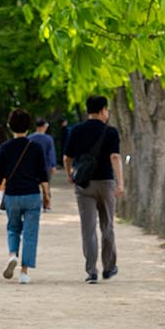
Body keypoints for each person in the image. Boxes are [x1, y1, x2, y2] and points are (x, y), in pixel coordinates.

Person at [63, 93, 124, 283]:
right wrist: (120, 183)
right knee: (107, 226)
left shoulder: (76, 130)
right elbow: (115, 157)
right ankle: (109, 267)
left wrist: (69, 175)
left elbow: (67, 157)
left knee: (88, 228)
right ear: (103, 110)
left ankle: (91, 271)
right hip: (106, 183)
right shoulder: (111, 132)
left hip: (84, 184)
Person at [0, 109, 50, 285]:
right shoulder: (36, 147)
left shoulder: (4, 148)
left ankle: (12, 254)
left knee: (13, 228)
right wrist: (47, 195)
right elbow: (43, 175)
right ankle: (24, 272)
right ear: (28, 126)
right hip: (32, 194)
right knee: (30, 233)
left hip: (12, 195)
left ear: (10, 126)